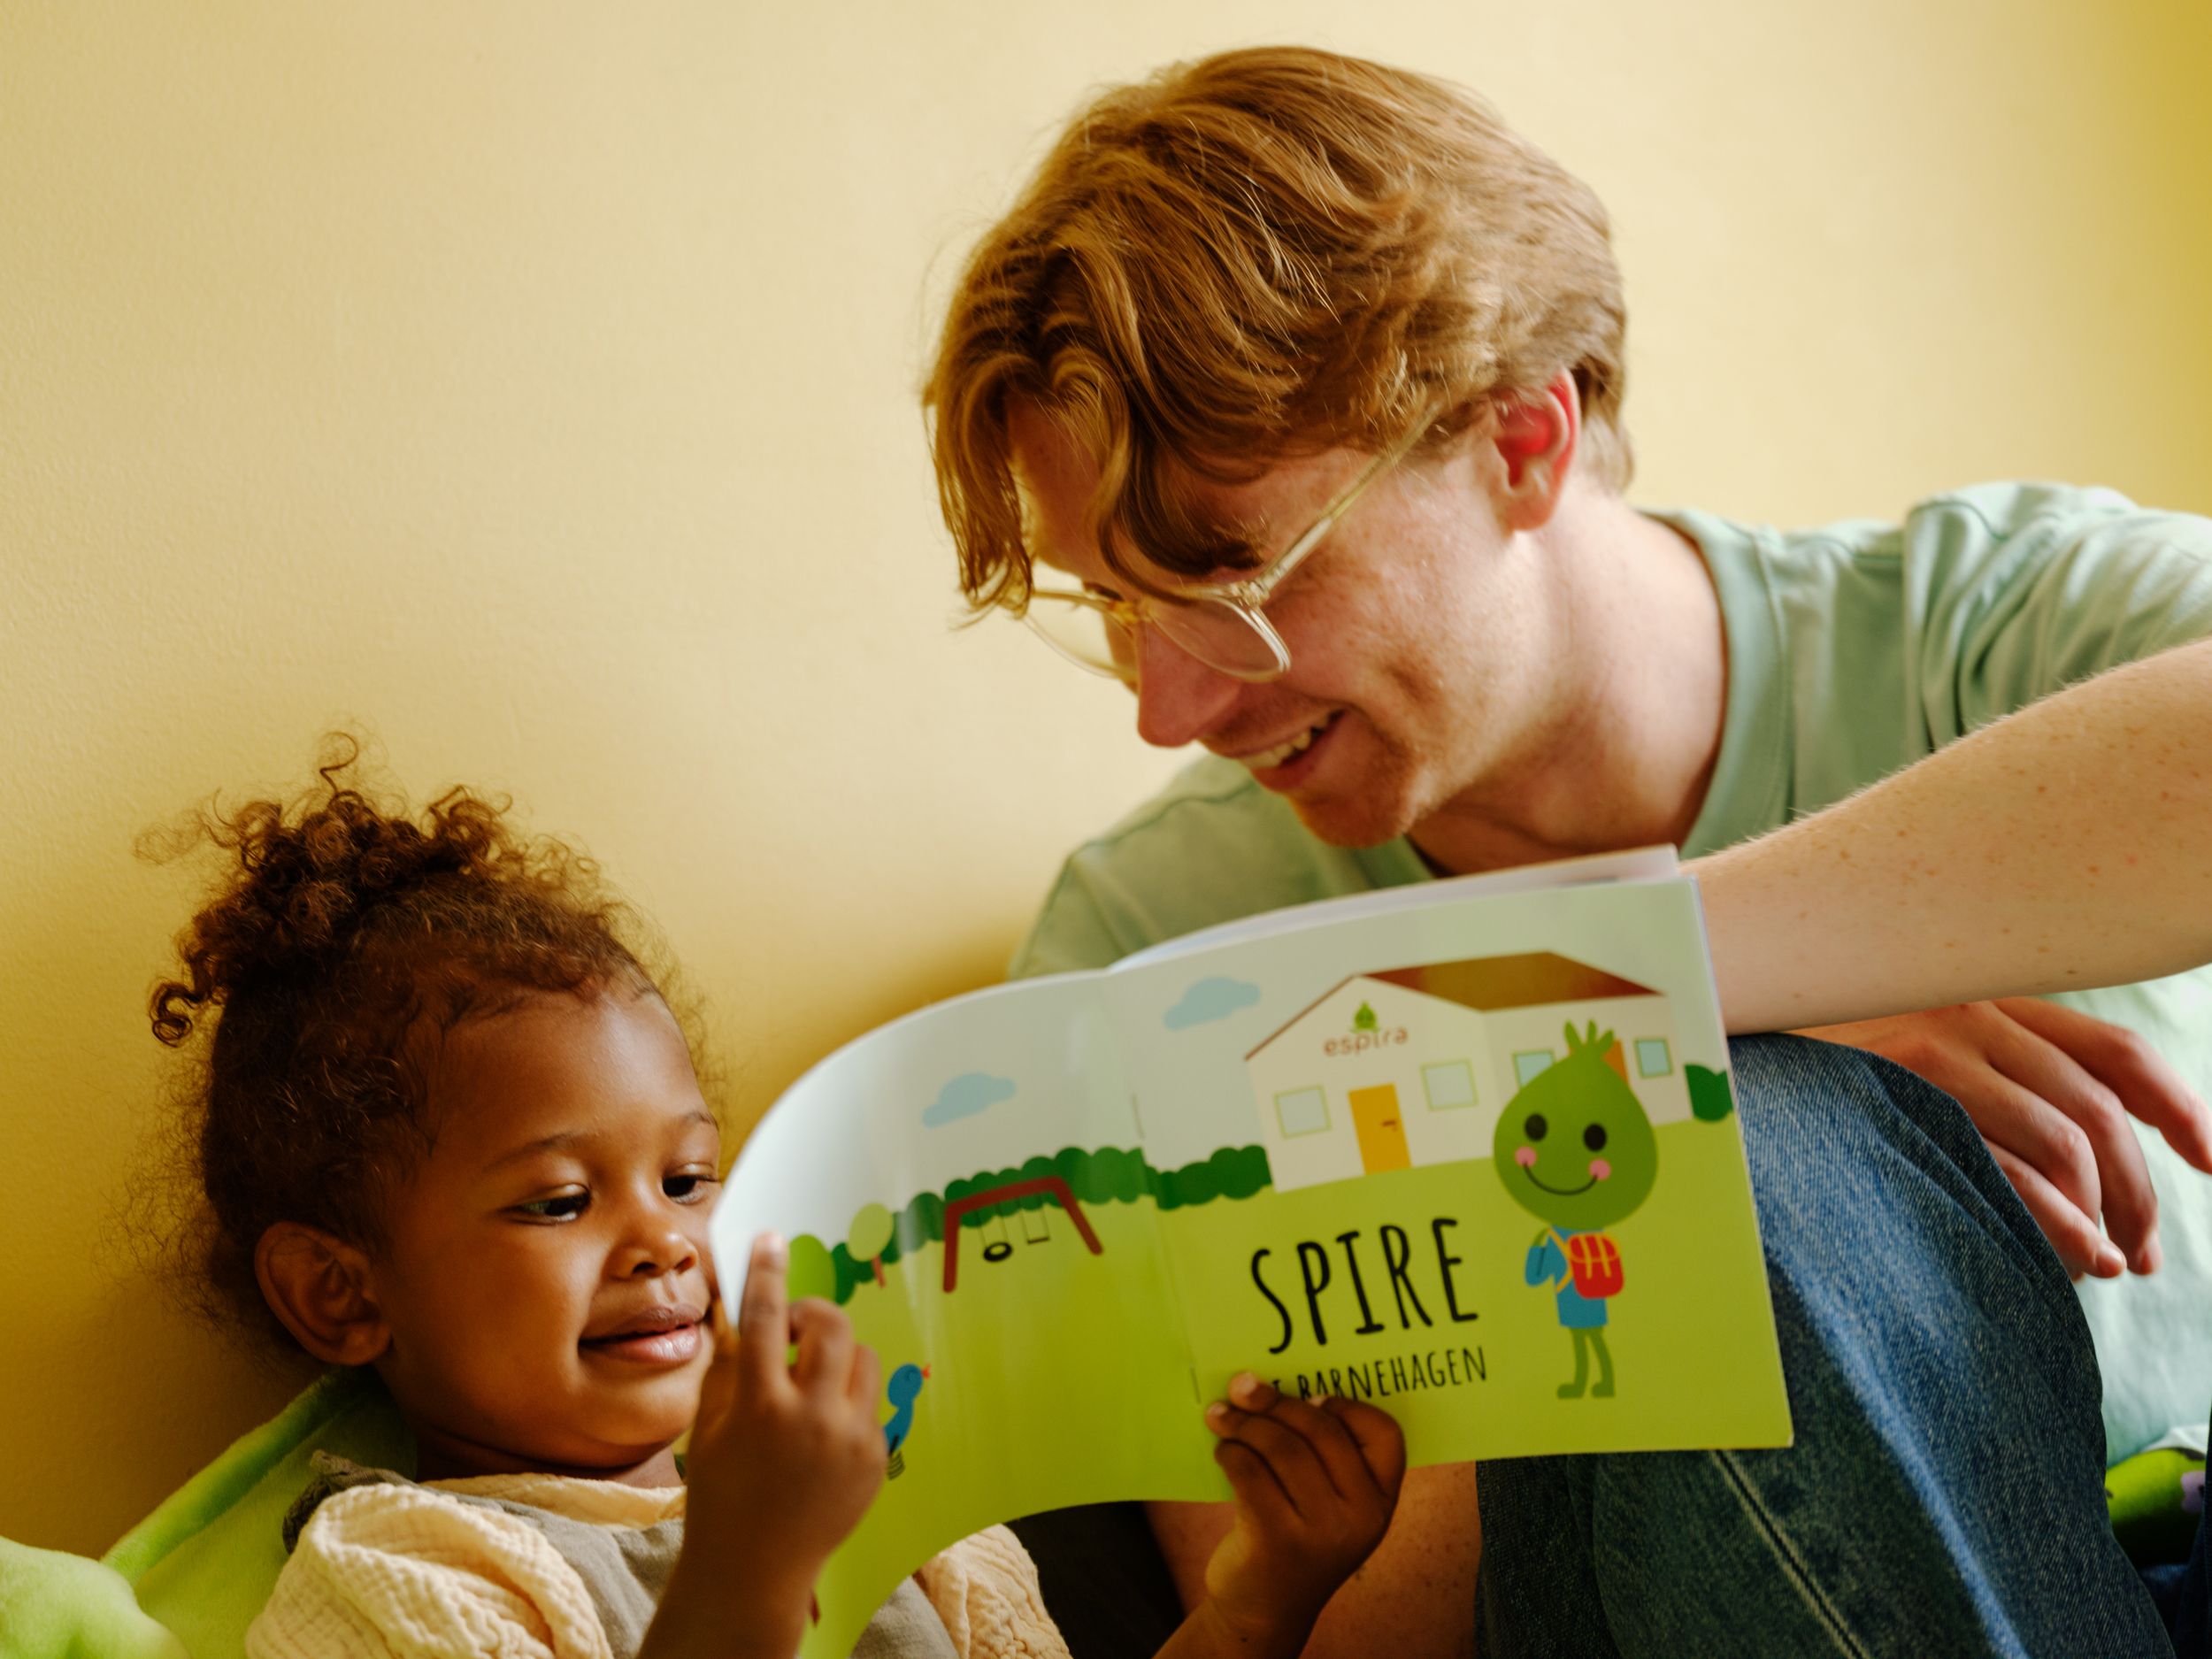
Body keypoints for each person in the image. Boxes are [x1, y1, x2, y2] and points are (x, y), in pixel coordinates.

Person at [923, 43, 2212, 1655]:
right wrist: (1646, 1126)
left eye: (1231, 578)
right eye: (1116, 608)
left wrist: (1661, 988)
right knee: (1731, 1174)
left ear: (1521, 441)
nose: (1168, 708)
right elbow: (1326, 1636)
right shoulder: (1147, 945)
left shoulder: (1999, 627)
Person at [147, 744, 1408, 1659]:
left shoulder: (910, 1519)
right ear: (340, 1293)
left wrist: (1261, 1598)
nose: (663, 1240)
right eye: (561, 1201)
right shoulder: (399, 1577)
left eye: (688, 1180)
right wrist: (748, 1562)